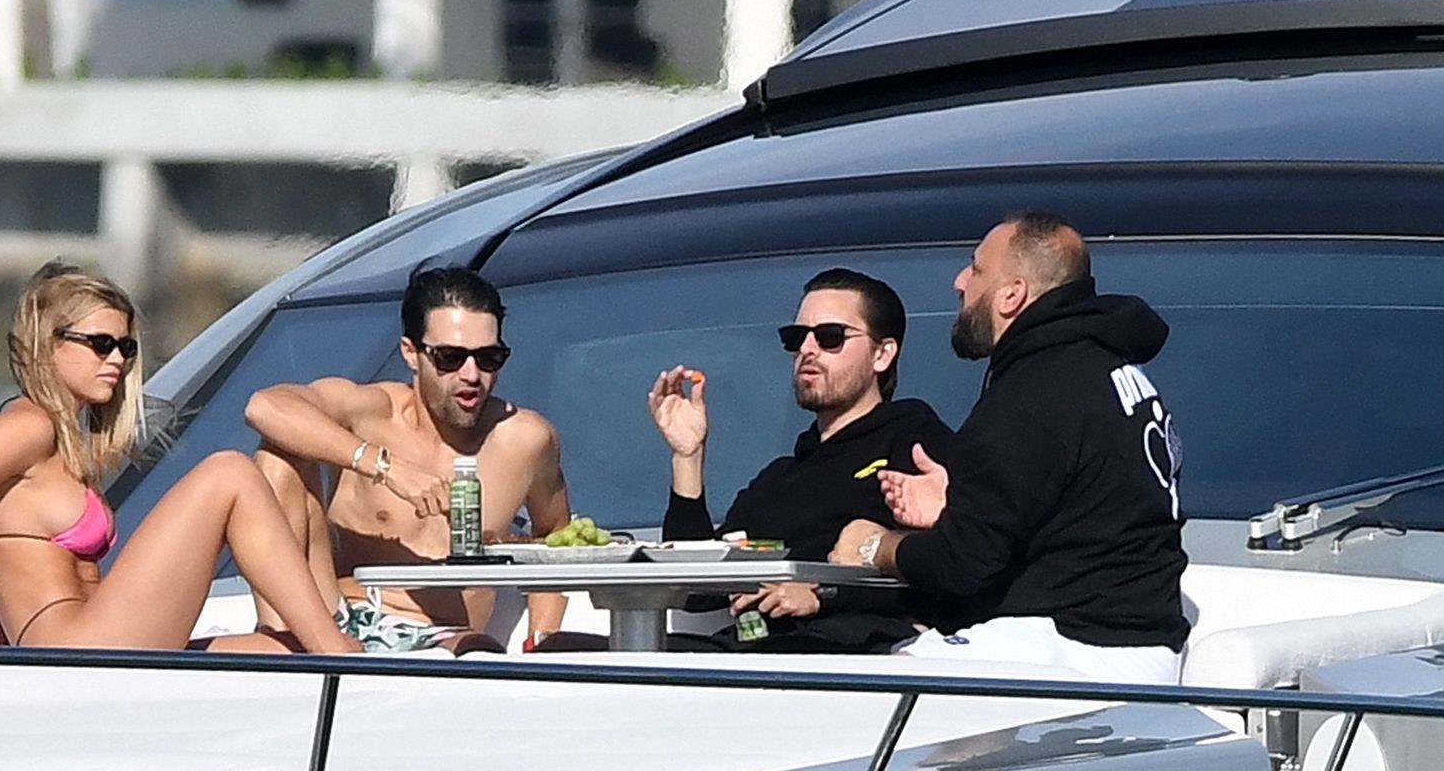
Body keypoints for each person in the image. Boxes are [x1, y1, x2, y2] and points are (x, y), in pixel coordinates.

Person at [0, 261, 359, 655]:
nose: (116, 359)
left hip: (96, 638)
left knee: (282, 649)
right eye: (100, 344)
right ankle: (336, 653)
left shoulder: (58, 441)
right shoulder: (28, 427)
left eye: (125, 347)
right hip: (78, 649)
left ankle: (329, 647)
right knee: (230, 473)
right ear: (49, 344)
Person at [829, 212, 1189, 681]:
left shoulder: (1034, 393)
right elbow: (1086, 509)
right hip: (1136, 647)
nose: (960, 281)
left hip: (1082, 647)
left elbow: (962, 564)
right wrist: (960, 501)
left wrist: (874, 546)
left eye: (976, 269)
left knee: (869, 689)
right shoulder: (1108, 372)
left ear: (1012, 295)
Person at [245, 267, 572, 653]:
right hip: (337, 623)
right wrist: (385, 467)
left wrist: (541, 637)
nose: (471, 375)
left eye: (489, 358)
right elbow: (265, 407)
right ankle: (281, 639)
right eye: (450, 357)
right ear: (410, 353)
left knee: (473, 651)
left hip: (445, 640)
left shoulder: (526, 440)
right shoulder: (370, 414)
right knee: (281, 452)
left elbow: (555, 540)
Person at [648, 267, 954, 653]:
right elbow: (693, 590)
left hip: (852, 660)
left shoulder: (914, 442)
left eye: (830, 336)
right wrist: (687, 456)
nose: (807, 349)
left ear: (882, 354)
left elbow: (953, 564)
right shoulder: (777, 480)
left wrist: (822, 594)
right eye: (797, 337)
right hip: (750, 654)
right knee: (580, 652)